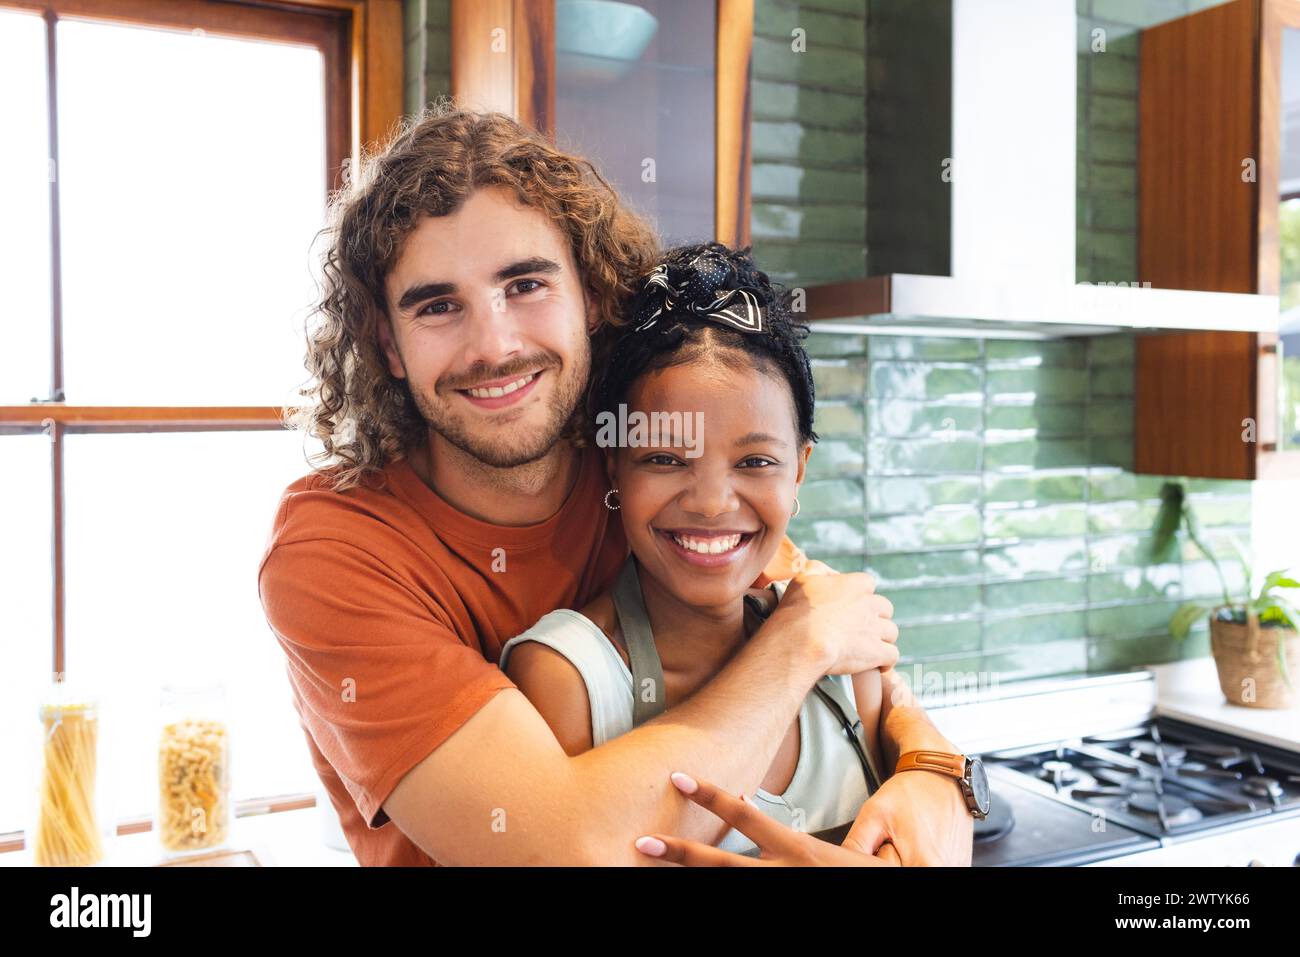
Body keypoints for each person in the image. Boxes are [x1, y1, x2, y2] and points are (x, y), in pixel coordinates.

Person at [258, 101, 974, 866]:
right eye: (437, 305)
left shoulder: (641, 464)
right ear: (388, 346)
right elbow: (563, 848)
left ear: (591, 294)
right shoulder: (334, 549)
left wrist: (938, 774)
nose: (494, 345)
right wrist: (802, 643)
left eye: (525, 284)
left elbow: (838, 636)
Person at [500, 241, 892, 859]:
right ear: (614, 471)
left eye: (756, 461)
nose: (711, 503)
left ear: (799, 472)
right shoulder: (570, 676)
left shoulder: (846, 653)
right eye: (663, 459)